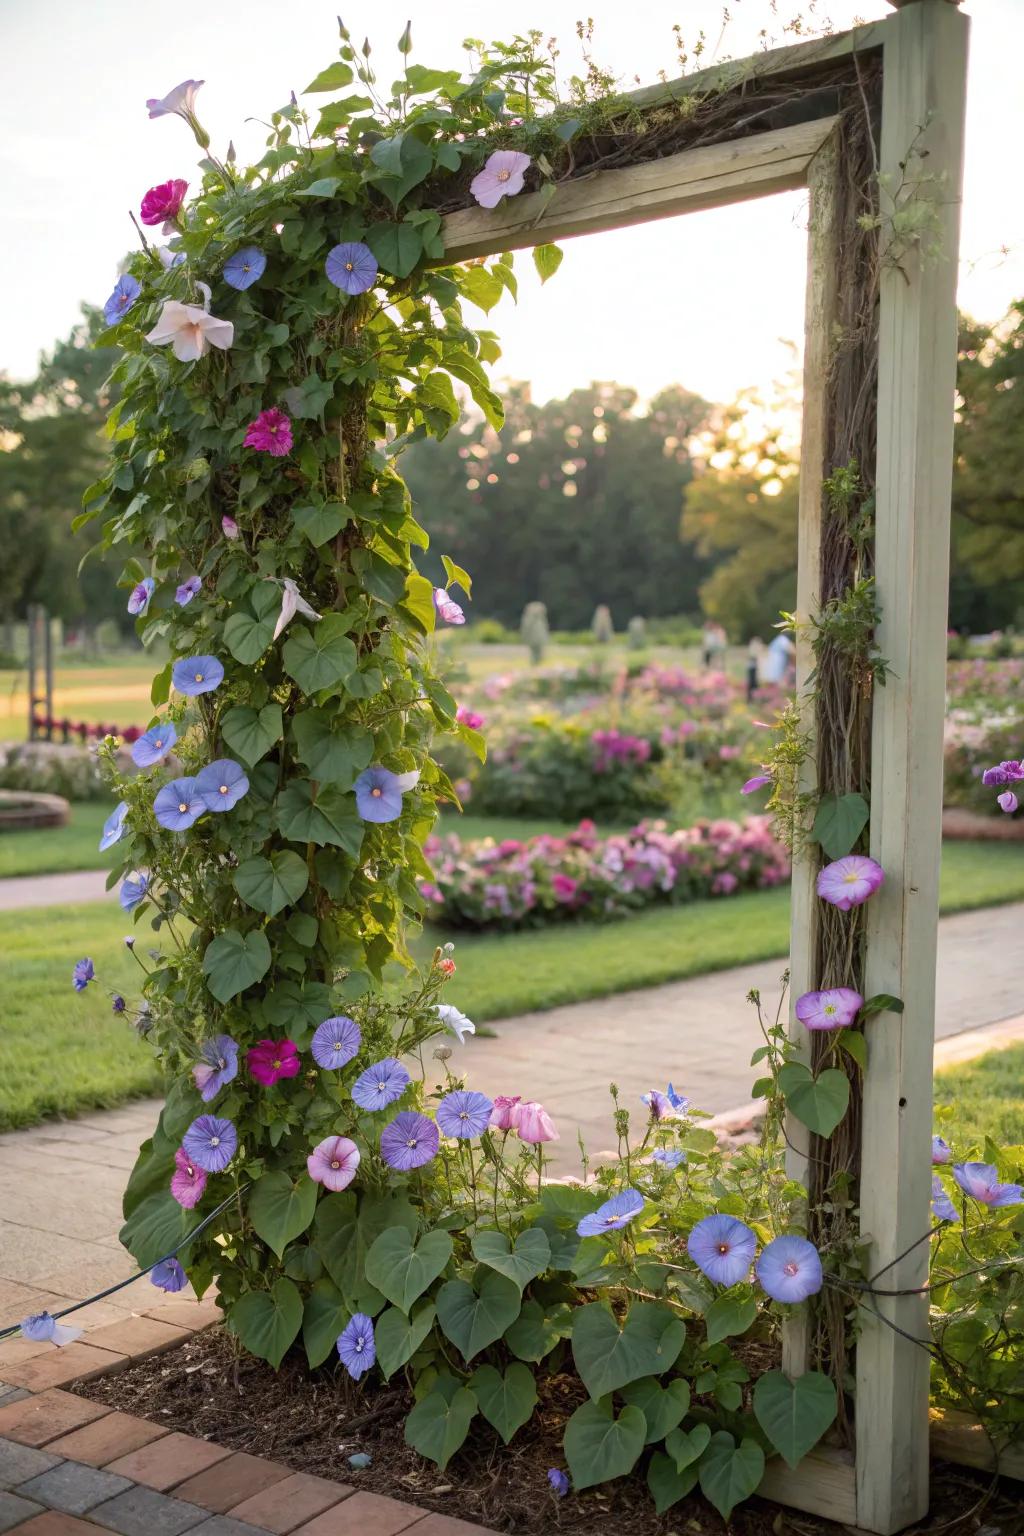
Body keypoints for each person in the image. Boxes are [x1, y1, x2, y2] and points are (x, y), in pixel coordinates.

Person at [746, 637, 765, 701]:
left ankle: (754, 698)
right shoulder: (754, 649)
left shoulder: (754, 649)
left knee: (755, 684)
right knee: (752, 684)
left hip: (754, 668)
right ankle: (751, 699)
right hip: (753, 668)